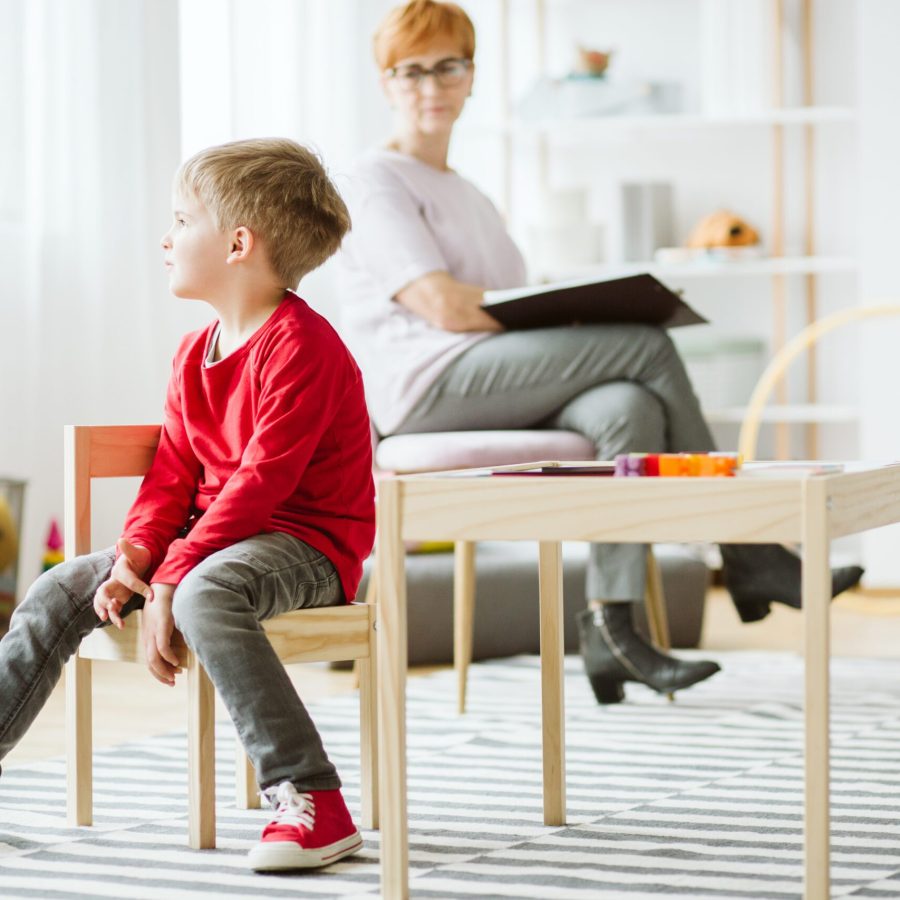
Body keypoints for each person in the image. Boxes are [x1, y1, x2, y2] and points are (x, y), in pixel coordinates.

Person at [335, 0, 863, 705]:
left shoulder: (470, 194)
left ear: (472, 76)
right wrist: (582, 328)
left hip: (489, 376)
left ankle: (612, 629)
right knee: (644, 344)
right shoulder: (374, 179)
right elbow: (443, 307)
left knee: (630, 405)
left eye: (449, 67)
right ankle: (748, 546)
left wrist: (573, 320)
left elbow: (509, 303)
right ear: (385, 83)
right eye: (412, 71)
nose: (432, 86)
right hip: (424, 384)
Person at [0, 138, 375, 872]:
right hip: (209, 544)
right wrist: (136, 559)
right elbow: (173, 475)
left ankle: (312, 799)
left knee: (206, 590)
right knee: (59, 588)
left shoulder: (303, 346)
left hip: (306, 545)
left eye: (180, 219)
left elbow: (263, 480)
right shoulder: (190, 353)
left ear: (238, 243)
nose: (165, 238)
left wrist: (171, 577)